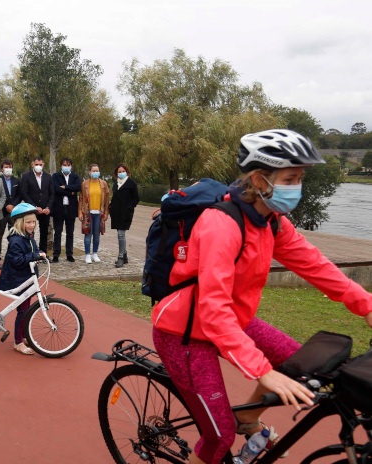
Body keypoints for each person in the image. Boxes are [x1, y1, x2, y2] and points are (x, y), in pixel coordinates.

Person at [151, 129, 372, 464]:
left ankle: (248, 417)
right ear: (259, 179)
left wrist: (366, 305)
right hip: (184, 334)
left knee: (302, 364)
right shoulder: (220, 226)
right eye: (291, 178)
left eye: (299, 178)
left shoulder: (272, 222)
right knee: (219, 435)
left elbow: (315, 265)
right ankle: (232, 426)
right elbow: (213, 312)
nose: (297, 186)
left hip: (234, 322)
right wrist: (262, 371)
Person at [0, 203, 46, 355]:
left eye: (33, 222)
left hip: (28, 278)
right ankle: (18, 342)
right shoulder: (16, 240)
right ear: (20, 223)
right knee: (23, 311)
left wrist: (39, 254)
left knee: (27, 309)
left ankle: (23, 336)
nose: (32, 225)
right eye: (28, 222)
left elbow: (34, 250)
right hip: (17, 279)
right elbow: (17, 260)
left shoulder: (29, 237)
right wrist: (33, 256)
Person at [19, 156, 54, 255]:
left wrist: (48, 207)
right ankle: (31, 253)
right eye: (36, 164)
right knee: (30, 231)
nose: (38, 166)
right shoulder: (26, 176)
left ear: (43, 165)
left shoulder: (48, 177)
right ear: (32, 164)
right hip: (31, 209)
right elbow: (24, 193)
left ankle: (43, 253)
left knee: (44, 233)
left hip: (45, 210)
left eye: (40, 164)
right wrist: (34, 206)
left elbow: (52, 193)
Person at [109, 163, 140, 268]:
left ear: (126, 171)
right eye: (119, 172)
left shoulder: (131, 183)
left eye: (123, 171)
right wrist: (110, 207)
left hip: (126, 212)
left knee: (121, 234)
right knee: (119, 233)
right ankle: (125, 255)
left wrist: (129, 207)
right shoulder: (115, 184)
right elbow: (114, 198)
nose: (121, 173)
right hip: (116, 212)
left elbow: (136, 198)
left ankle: (121, 256)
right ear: (116, 173)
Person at [51, 157, 81, 263]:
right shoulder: (55, 176)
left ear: (71, 166)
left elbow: (78, 187)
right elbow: (56, 188)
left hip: (71, 208)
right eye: (64, 165)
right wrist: (70, 192)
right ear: (61, 166)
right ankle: (56, 254)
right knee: (58, 232)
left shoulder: (75, 176)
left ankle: (69, 253)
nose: (66, 167)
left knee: (70, 232)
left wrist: (65, 187)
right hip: (58, 207)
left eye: (68, 165)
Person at [78, 164, 109, 264]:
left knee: (96, 234)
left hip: (99, 212)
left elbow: (107, 200)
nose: (96, 172)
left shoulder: (103, 184)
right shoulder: (85, 184)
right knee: (88, 234)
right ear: (89, 172)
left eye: (97, 171)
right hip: (88, 212)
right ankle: (87, 254)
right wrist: (80, 212)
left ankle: (95, 253)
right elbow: (81, 198)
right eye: (94, 171)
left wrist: (106, 213)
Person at [0, 159, 21, 264]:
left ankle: (13, 255)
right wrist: (6, 205)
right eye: (6, 167)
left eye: (10, 167)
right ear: (2, 169)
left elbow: (20, 195)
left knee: (15, 234)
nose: (8, 169)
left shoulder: (17, 181)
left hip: (13, 212)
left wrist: (13, 205)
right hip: (2, 211)